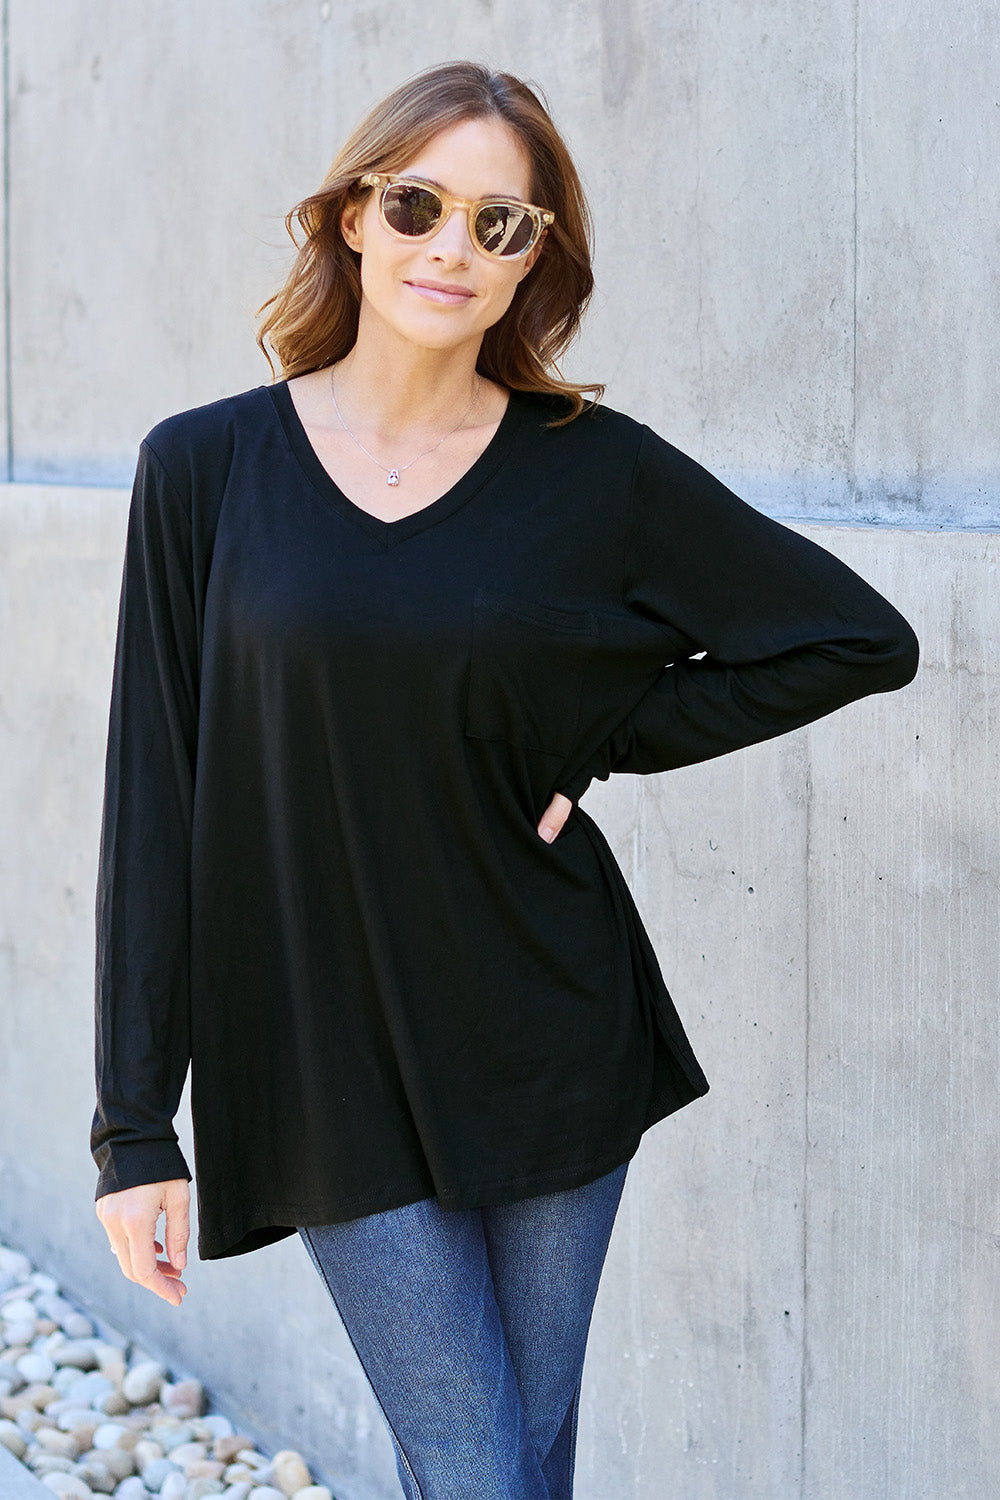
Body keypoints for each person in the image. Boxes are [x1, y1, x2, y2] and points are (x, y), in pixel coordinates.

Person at [92, 60, 919, 1500]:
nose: (453, 249)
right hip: (320, 1048)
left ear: (536, 257)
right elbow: (154, 802)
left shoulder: (593, 473)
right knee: (476, 1459)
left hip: (545, 1026)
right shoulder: (205, 471)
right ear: (352, 217)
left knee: (521, 1462)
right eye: (418, 205)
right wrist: (132, 1128)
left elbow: (858, 638)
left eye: (503, 225)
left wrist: (600, 735)